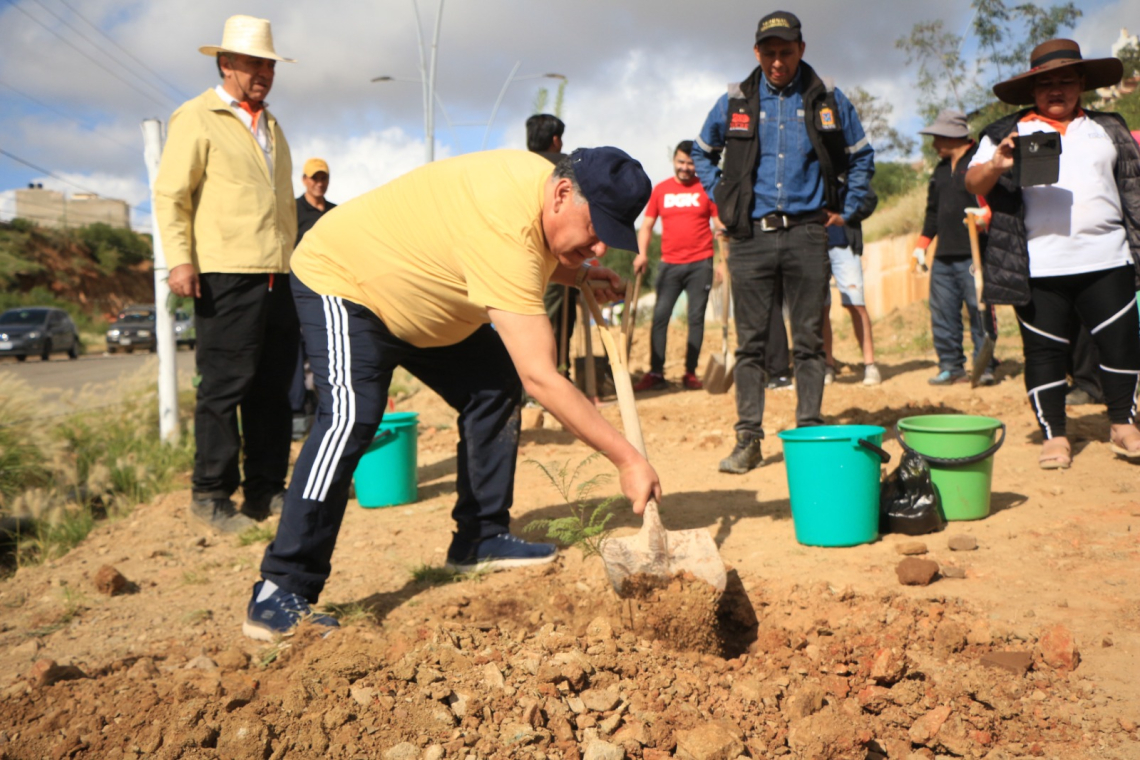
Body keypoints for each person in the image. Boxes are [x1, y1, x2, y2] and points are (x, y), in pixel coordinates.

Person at [244, 147, 661, 640]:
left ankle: (479, 538)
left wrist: (580, 274)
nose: (596, 248)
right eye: (595, 231)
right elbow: (543, 378)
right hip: (347, 282)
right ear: (563, 194)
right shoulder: (505, 221)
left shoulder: (542, 187)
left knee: (493, 381)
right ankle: (280, 589)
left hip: (422, 303)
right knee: (351, 417)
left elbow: (533, 255)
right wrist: (628, 460)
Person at [692, 10, 874, 474]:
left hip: (809, 235)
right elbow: (702, 151)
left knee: (809, 342)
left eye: (786, 52)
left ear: (801, 50)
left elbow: (861, 156)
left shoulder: (826, 98)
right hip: (750, 237)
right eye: (769, 53)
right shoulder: (735, 101)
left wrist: (847, 210)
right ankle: (748, 440)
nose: (777, 62)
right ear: (757, 52)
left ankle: (810, 433)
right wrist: (723, 197)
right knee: (751, 346)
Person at [965, 39, 1140, 469]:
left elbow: (1131, 189)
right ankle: (1054, 436)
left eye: (1066, 79)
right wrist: (997, 165)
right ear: (1032, 90)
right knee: (1044, 354)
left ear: (1082, 83)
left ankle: (1123, 424)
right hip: (1039, 266)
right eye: (1046, 83)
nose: (1056, 89)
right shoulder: (1005, 132)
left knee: (1120, 345)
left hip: (1108, 258)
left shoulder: (1109, 127)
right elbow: (972, 183)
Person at [155, 15, 299, 531]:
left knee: (274, 388)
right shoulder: (197, 115)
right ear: (226, 64)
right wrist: (179, 259)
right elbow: (172, 195)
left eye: (268, 63)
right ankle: (211, 495)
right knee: (224, 386)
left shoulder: (272, 125)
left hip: (277, 274)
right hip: (224, 273)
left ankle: (265, 491)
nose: (263, 72)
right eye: (252, 63)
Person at [913, 109, 999, 386]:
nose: (934, 143)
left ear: (952, 136)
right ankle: (951, 365)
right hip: (944, 257)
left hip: (975, 254)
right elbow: (932, 212)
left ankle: (984, 365)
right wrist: (921, 245)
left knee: (979, 310)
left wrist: (988, 216)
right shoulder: (938, 171)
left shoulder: (980, 161)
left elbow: (999, 199)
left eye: (937, 137)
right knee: (943, 312)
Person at [632, 141, 722, 391]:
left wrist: (723, 262)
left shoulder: (706, 188)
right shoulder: (661, 190)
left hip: (700, 263)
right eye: (681, 162)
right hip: (669, 264)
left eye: (690, 163)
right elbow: (647, 225)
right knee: (660, 316)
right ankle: (656, 373)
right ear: (674, 161)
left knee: (696, 318)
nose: (685, 168)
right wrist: (641, 254)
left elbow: (719, 226)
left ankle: (690, 373)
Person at [290, 158, 337, 441]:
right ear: (304, 180)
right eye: (314, 178)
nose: (319, 183)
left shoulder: (335, 213)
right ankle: (298, 412)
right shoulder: (292, 211)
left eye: (323, 178)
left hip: (328, 291)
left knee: (327, 351)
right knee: (296, 354)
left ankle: (327, 408)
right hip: (299, 292)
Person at [528, 114, 576, 376]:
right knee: (556, 321)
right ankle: (557, 374)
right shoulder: (565, 166)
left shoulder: (519, 164)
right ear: (556, 140)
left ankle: (534, 381)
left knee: (530, 319)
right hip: (557, 258)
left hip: (524, 257)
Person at [822, 189, 879, 385]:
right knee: (821, 308)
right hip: (813, 243)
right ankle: (827, 366)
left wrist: (846, 216)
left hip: (844, 244)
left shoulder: (847, 172)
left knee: (856, 304)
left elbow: (869, 199)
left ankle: (870, 365)